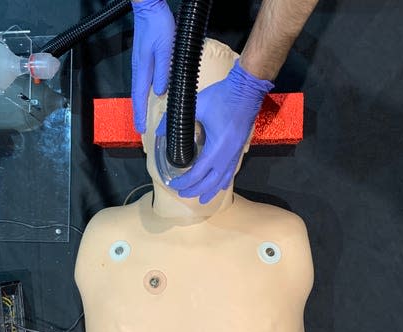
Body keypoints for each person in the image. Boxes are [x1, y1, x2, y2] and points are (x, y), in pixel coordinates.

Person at [75, 38, 313, 332]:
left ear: (243, 141)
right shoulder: (106, 240)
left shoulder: (283, 241)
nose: (188, 143)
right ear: (144, 132)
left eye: (210, 124)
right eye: (175, 119)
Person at [131, 0, 319, 204]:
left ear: (248, 136)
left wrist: (248, 82)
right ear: (142, 137)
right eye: (165, 118)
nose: (184, 137)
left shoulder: (282, 233)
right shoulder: (108, 231)